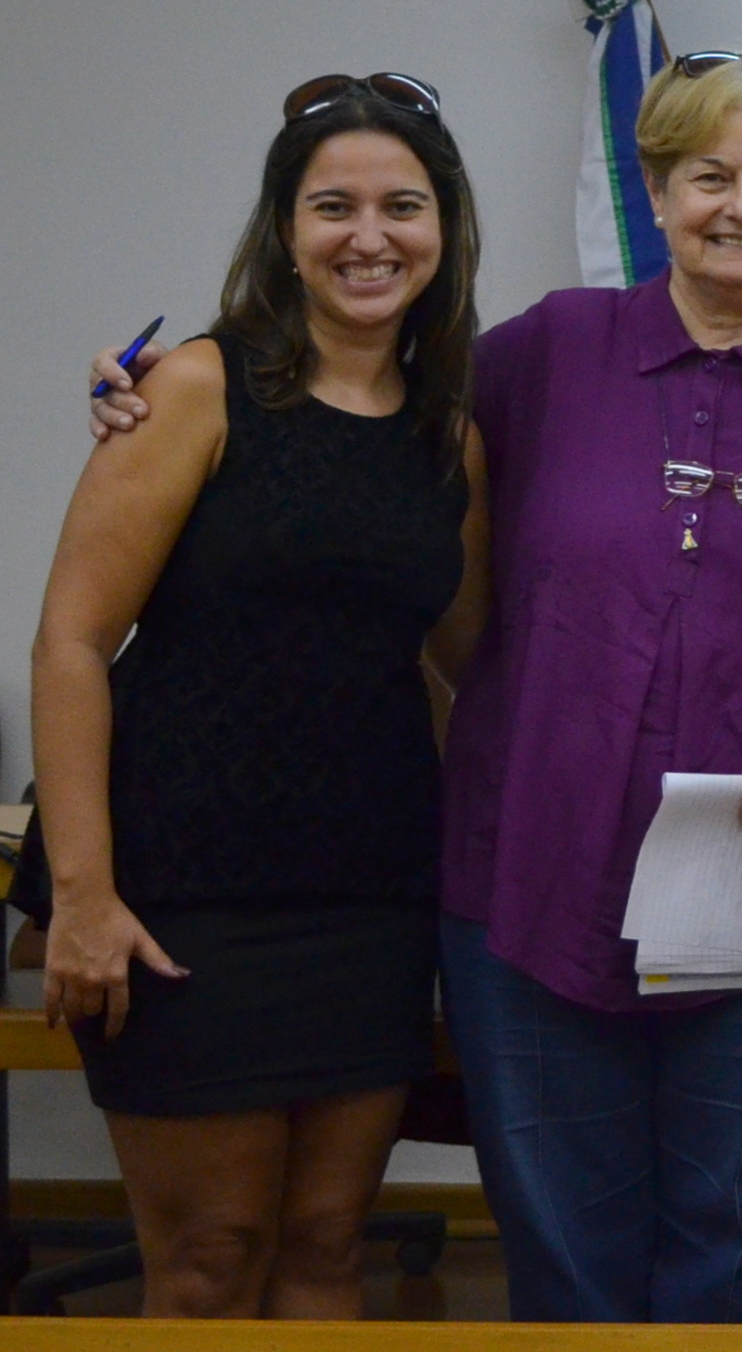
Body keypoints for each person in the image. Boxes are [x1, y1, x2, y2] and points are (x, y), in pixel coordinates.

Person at [103, 52, 742, 1320]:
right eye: (709, 178)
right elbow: (336, 405)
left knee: (740, 1241)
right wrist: (140, 394)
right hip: (528, 869)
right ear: (656, 190)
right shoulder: (537, 355)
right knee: (562, 1242)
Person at [29, 73, 485, 1317]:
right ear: (284, 229)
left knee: (328, 1243)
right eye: (332, 205)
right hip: (183, 896)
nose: (369, 236)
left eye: (402, 205)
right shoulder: (192, 389)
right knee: (210, 1256)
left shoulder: (449, 432)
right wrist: (81, 896)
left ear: (444, 227)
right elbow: (71, 642)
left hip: (369, 893)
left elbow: (469, 657)